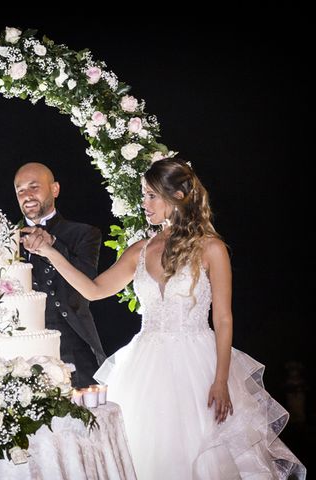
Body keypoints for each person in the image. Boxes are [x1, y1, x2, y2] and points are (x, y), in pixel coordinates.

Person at [22, 158, 305, 479]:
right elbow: (93, 289)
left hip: (198, 365)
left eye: (151, 196)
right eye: (143, 195)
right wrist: (51, 253)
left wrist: (221, 379)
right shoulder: (140, 250)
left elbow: (224, 318)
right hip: (146, 365)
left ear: (178, 197)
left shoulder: (211, 248)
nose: (144, 203)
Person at [14, 162, 106, 388]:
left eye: (34, 187)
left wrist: (53, 246)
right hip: (18, 355)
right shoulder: (5, 240)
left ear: (54, 189)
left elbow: (86, 283)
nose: (27, 195)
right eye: (21, 190)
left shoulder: (83, 233)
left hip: (72, 349)